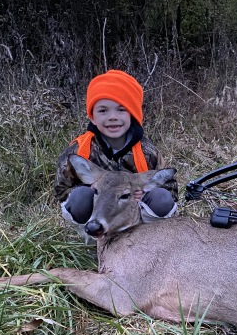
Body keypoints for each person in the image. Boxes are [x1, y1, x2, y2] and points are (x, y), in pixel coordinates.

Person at [54, 70, 178, 241]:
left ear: (132, 115)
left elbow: (171, 190)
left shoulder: (147, 152)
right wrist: (95, 191)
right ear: (93, 117)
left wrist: (142, 194)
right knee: (80, 197)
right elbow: (61, 190)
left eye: (121, 109)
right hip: (96, 213)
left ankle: (148, 242)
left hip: (135, 216)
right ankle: (92, 244)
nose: (112, 117)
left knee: (161, 198)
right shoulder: (79, 151)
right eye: (103, 111)